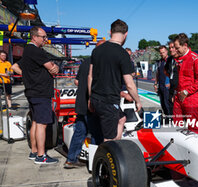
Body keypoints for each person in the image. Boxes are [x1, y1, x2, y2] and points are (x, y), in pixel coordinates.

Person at [11, 26, 59, 164]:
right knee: (42, 124)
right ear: (34, 37)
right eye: (43, 37)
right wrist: (52, 68)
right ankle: (41, 155)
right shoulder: (36, 51)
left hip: (33, 91)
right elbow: (53, 69)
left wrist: (27, 76)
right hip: (41, 92)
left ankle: (34, 151)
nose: (46, 39)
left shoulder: (28, 51)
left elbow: (14, 67)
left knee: (36, 122)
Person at [88, 19, 141, 141]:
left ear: (110, 32)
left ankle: (115, 150)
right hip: (109, 101)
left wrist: (90, 98)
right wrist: (137, 101)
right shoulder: (122, 54)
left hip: (97, 98)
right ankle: (110, 156)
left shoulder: (96, 50)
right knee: (109, 139)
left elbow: (90, 76)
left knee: (121, 119)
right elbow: (129, 84)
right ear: (126, 34)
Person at [64, 40, 106, 169]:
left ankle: (70, 159)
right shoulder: (98, 64)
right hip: (91, 105)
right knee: (97, 135)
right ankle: (94, 164)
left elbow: (76, 81)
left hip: (81, 104)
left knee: (79, 133)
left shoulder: (85, 62)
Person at [173, 33, 198, 134]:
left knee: (193, 128)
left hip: (190, 97)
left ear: (185, 46)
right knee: (176, 126)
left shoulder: (195, 59)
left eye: (177, 47)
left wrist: (187, 92)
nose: (175, 50)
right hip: (178, 97)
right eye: (174, 47)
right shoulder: (177, 59)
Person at [154, 45, 170, 116]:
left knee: (167, 104)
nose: (162, 54)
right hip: (160, 85)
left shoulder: (170, 60)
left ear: (166, 51)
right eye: (160, 53)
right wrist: (155, 83)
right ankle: (167, 117)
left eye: (163, 52)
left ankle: (171, 118)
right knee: (162, 103)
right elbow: (158, 72)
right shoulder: (160, 61)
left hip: (167, 86)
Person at [164, 41, 179, 116]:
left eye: (172, 47)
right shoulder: (169, 59)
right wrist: (168, 80)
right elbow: (165, 70)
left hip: (179, 88)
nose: (170, 49)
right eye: (169, 48)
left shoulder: (181, 59)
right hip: (171, 88)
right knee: (170, 107)